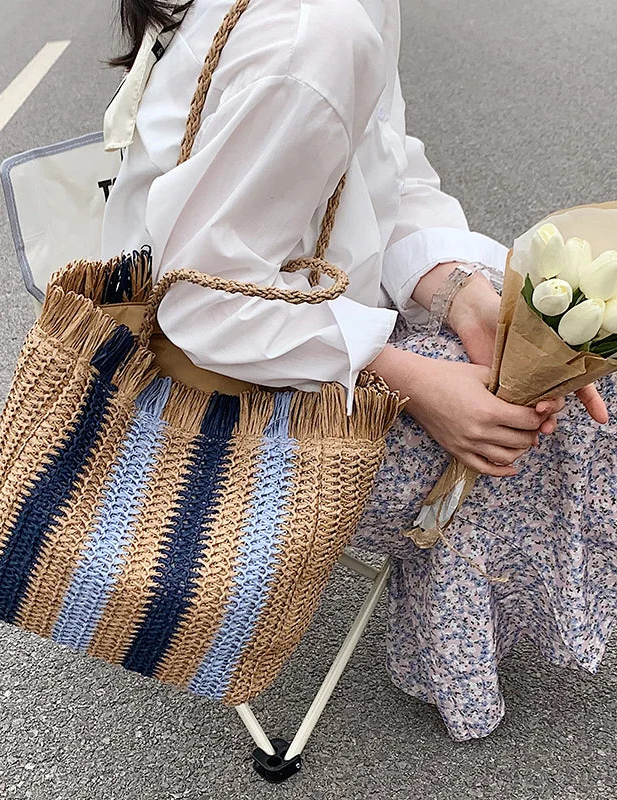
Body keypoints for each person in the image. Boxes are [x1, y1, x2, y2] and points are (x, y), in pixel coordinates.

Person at [101, 0, 616, 740]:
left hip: (291, 328)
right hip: (199, 412)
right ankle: (460, 652)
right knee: (520, 424)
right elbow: (197, 303)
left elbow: (383, 170)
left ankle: (476, 633)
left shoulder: (346, 11)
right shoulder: (317, 29)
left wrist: (463, 294)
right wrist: (410, 383)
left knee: (553, 371)